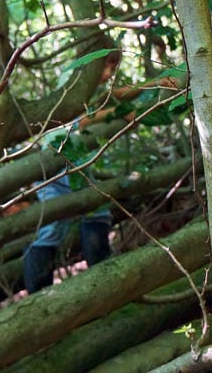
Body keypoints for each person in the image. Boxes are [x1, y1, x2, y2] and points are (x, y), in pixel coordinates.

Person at [23, 51, 179, 293]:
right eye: (108, 66)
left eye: (113, 67)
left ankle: (85, 284)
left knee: (72, 220)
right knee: (78, 218)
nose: (109, 74)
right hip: (60, 154)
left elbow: (113, 96)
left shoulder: (86, 82)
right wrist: (121, 114)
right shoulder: (73, 80)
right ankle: (51, 292)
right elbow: (82, 120)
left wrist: (154, 82)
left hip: (65, 155)